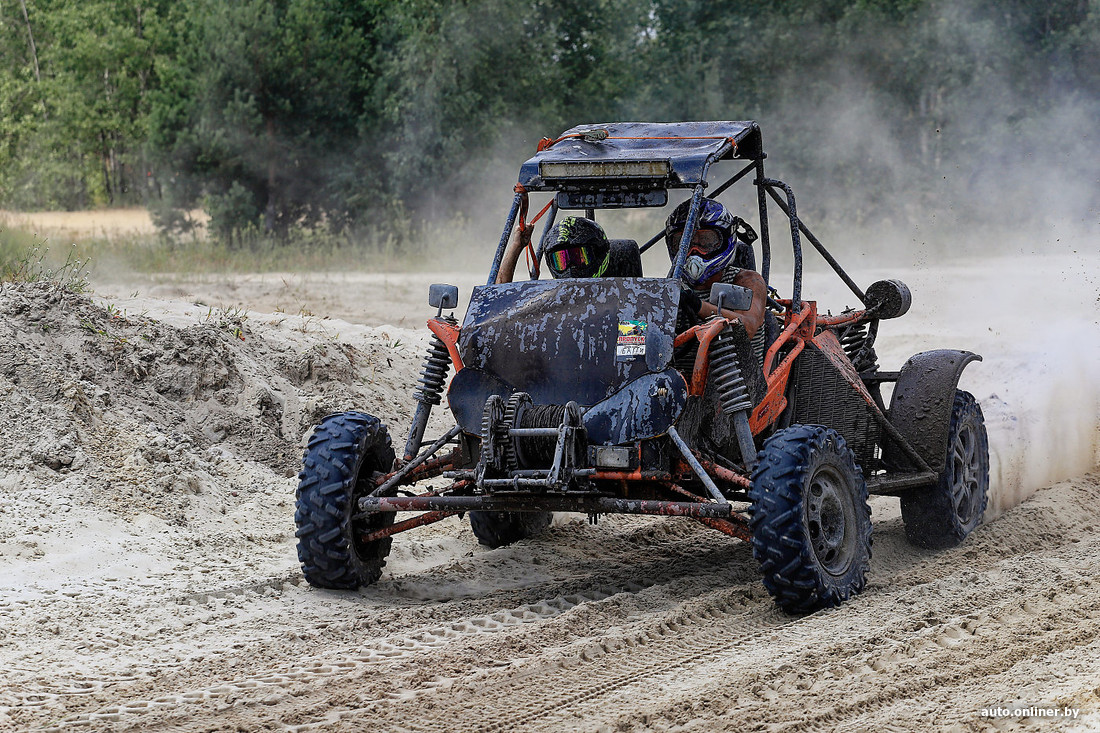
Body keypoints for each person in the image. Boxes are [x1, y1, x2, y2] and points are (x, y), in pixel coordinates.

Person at [665, 198, 767, 339]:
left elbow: (748, 326)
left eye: (706, 241)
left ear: (726, 240)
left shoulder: (748, 280)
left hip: (738, 361)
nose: (695, 251)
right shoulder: (669, 287)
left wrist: (697, 304)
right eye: (685, 243)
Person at [496, 214, 611, 283]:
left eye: (578, 257)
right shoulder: (549, 299)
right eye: (562, 260)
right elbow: (498, 305)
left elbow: (628, 322)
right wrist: (516, 246)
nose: (570, 268)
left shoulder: (620, 296)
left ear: (599, 254)